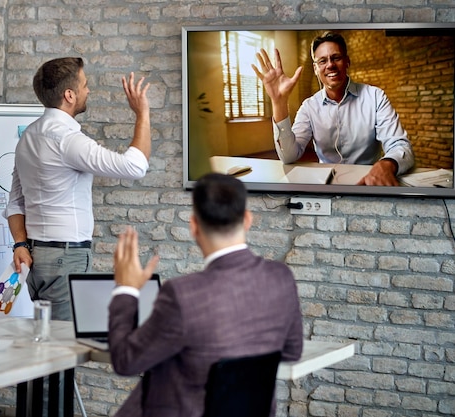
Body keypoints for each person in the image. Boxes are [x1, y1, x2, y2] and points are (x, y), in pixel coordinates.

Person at [108, 173, 303, 417]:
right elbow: (292, 351)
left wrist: (126, 288)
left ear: (193, 225)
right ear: (247, 219)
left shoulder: (182, 295)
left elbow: (125, 361)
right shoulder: (281, 277)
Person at [5, 57, 152, 320]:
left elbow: (15, 202)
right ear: (69, 95)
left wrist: (19, 243)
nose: (88, 90)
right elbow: (135, 167)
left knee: (47, 343)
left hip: (35, 257)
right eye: (84, 85)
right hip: (65, 258)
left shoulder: (28, 137)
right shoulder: (68, 141)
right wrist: (142, 114)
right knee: (63, 348)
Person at [253, 31, 414, 186]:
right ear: (315, 69)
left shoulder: (375, 97)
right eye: (322, 61)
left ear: (347, 62)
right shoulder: (309, 106)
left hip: (368, 182)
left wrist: (387, 164)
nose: (330, 65)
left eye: (336, 58)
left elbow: (400, 146)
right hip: (326, 186)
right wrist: (279, 102)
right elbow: (289, 156)